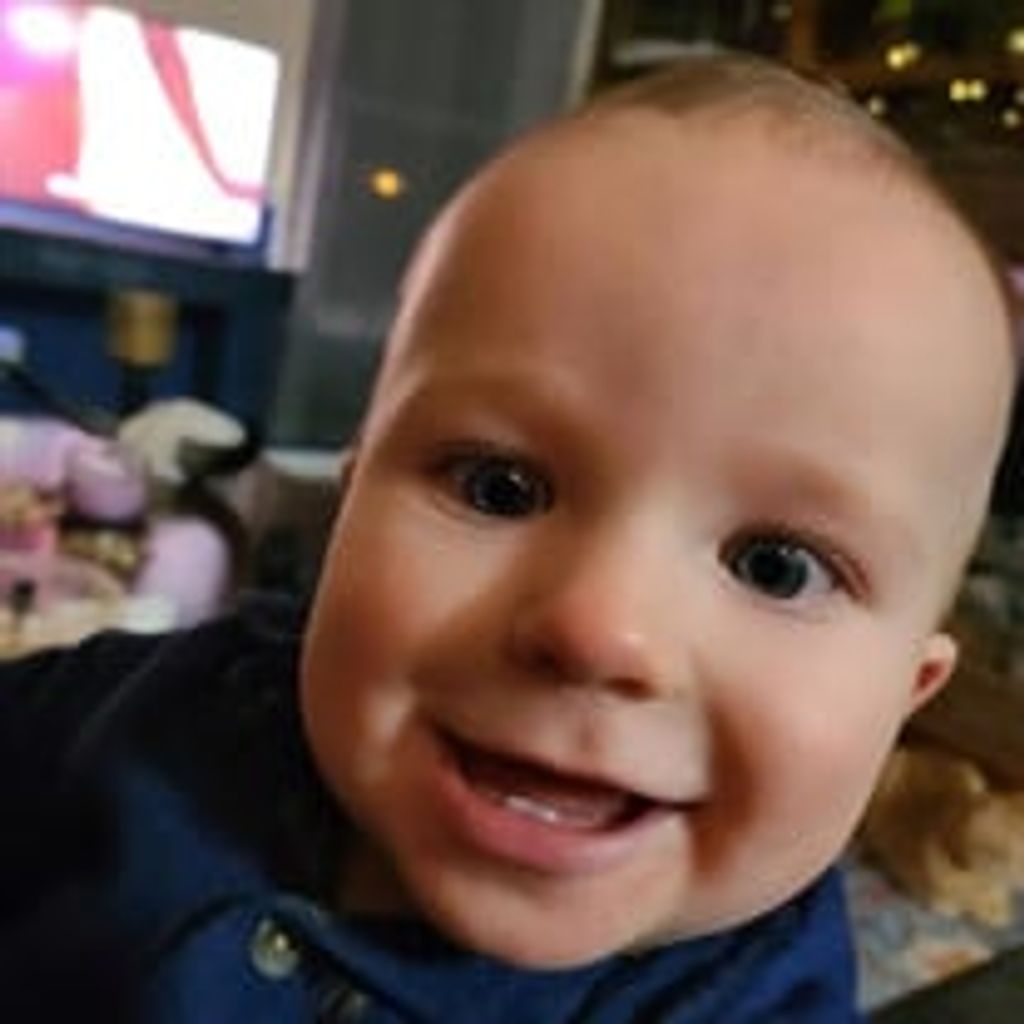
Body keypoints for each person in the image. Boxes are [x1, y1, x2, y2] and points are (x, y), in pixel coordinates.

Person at [0, 51, 1018, 1023]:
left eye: (776, 567)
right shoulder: (165, 709)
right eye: (500, 488)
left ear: (905, 696)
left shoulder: (744, 999)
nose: (599, 628)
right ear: (348, 507)